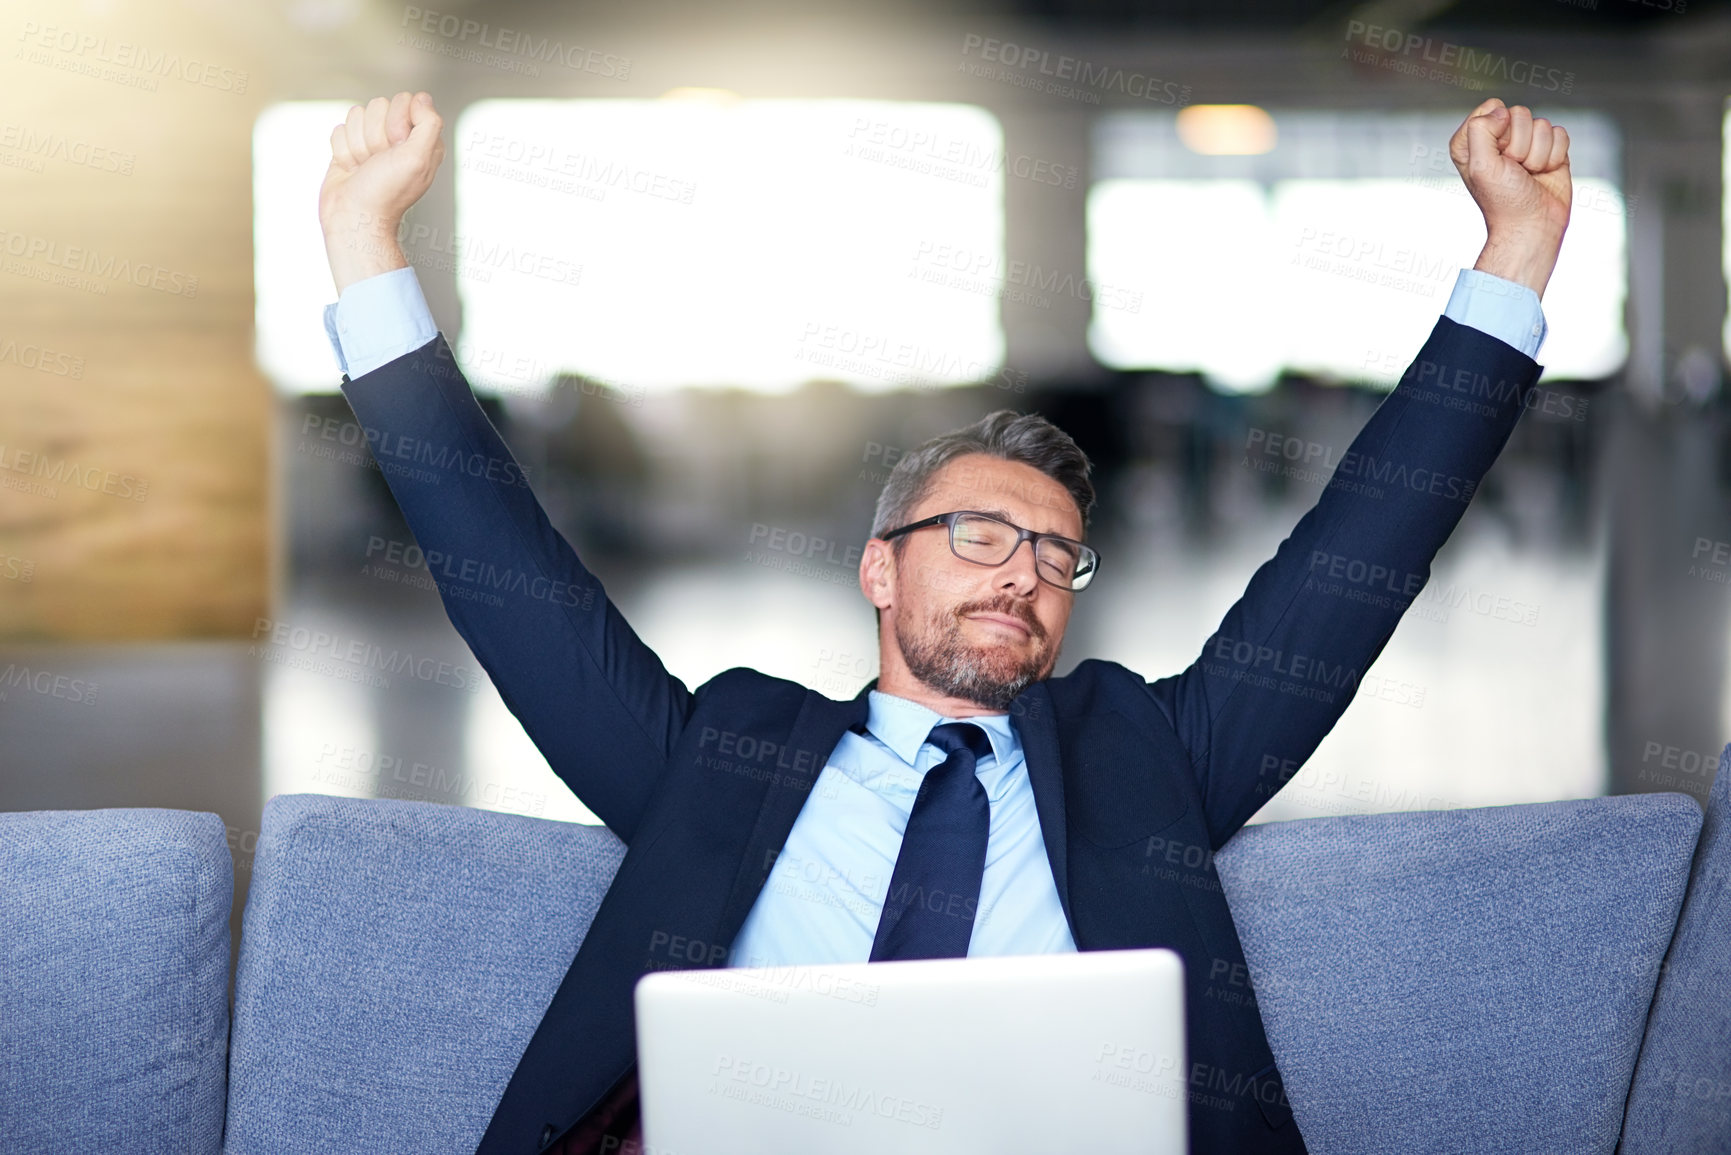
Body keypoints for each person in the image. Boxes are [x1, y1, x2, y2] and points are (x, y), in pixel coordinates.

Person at [317, 91, 1571, 1154]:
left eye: (1054, 554)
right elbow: (501, 573)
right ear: (879, 569)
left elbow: (1355, 560)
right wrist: (364, 242)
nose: (1021, 570)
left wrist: (1516, 255)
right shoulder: (725, 753)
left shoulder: (1148, 753)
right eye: (977, 533)